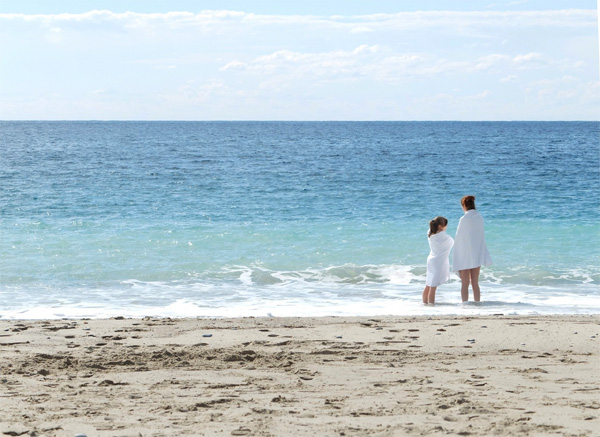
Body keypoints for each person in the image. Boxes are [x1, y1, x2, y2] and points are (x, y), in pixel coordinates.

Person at [452, 195, 492, 302]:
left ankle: (465, 305)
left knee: (465, 283)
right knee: (475, 283)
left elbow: (459, 237)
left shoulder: (464, 219)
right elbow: (480, 236)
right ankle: (477, 304)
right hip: (476, 254)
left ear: (464, 205)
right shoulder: (479, 217)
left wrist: (457, 255)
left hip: (465, 255)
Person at [422, 216, 454, 305]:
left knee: (428, 284)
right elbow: (452, 242)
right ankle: (431, 306)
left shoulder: (430, 233)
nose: (446, 227)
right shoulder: (445, 238)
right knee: (433, 287)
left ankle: (425, 304)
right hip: (438, 262)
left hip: (431, 260)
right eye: (445, 225)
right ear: (440, 226)